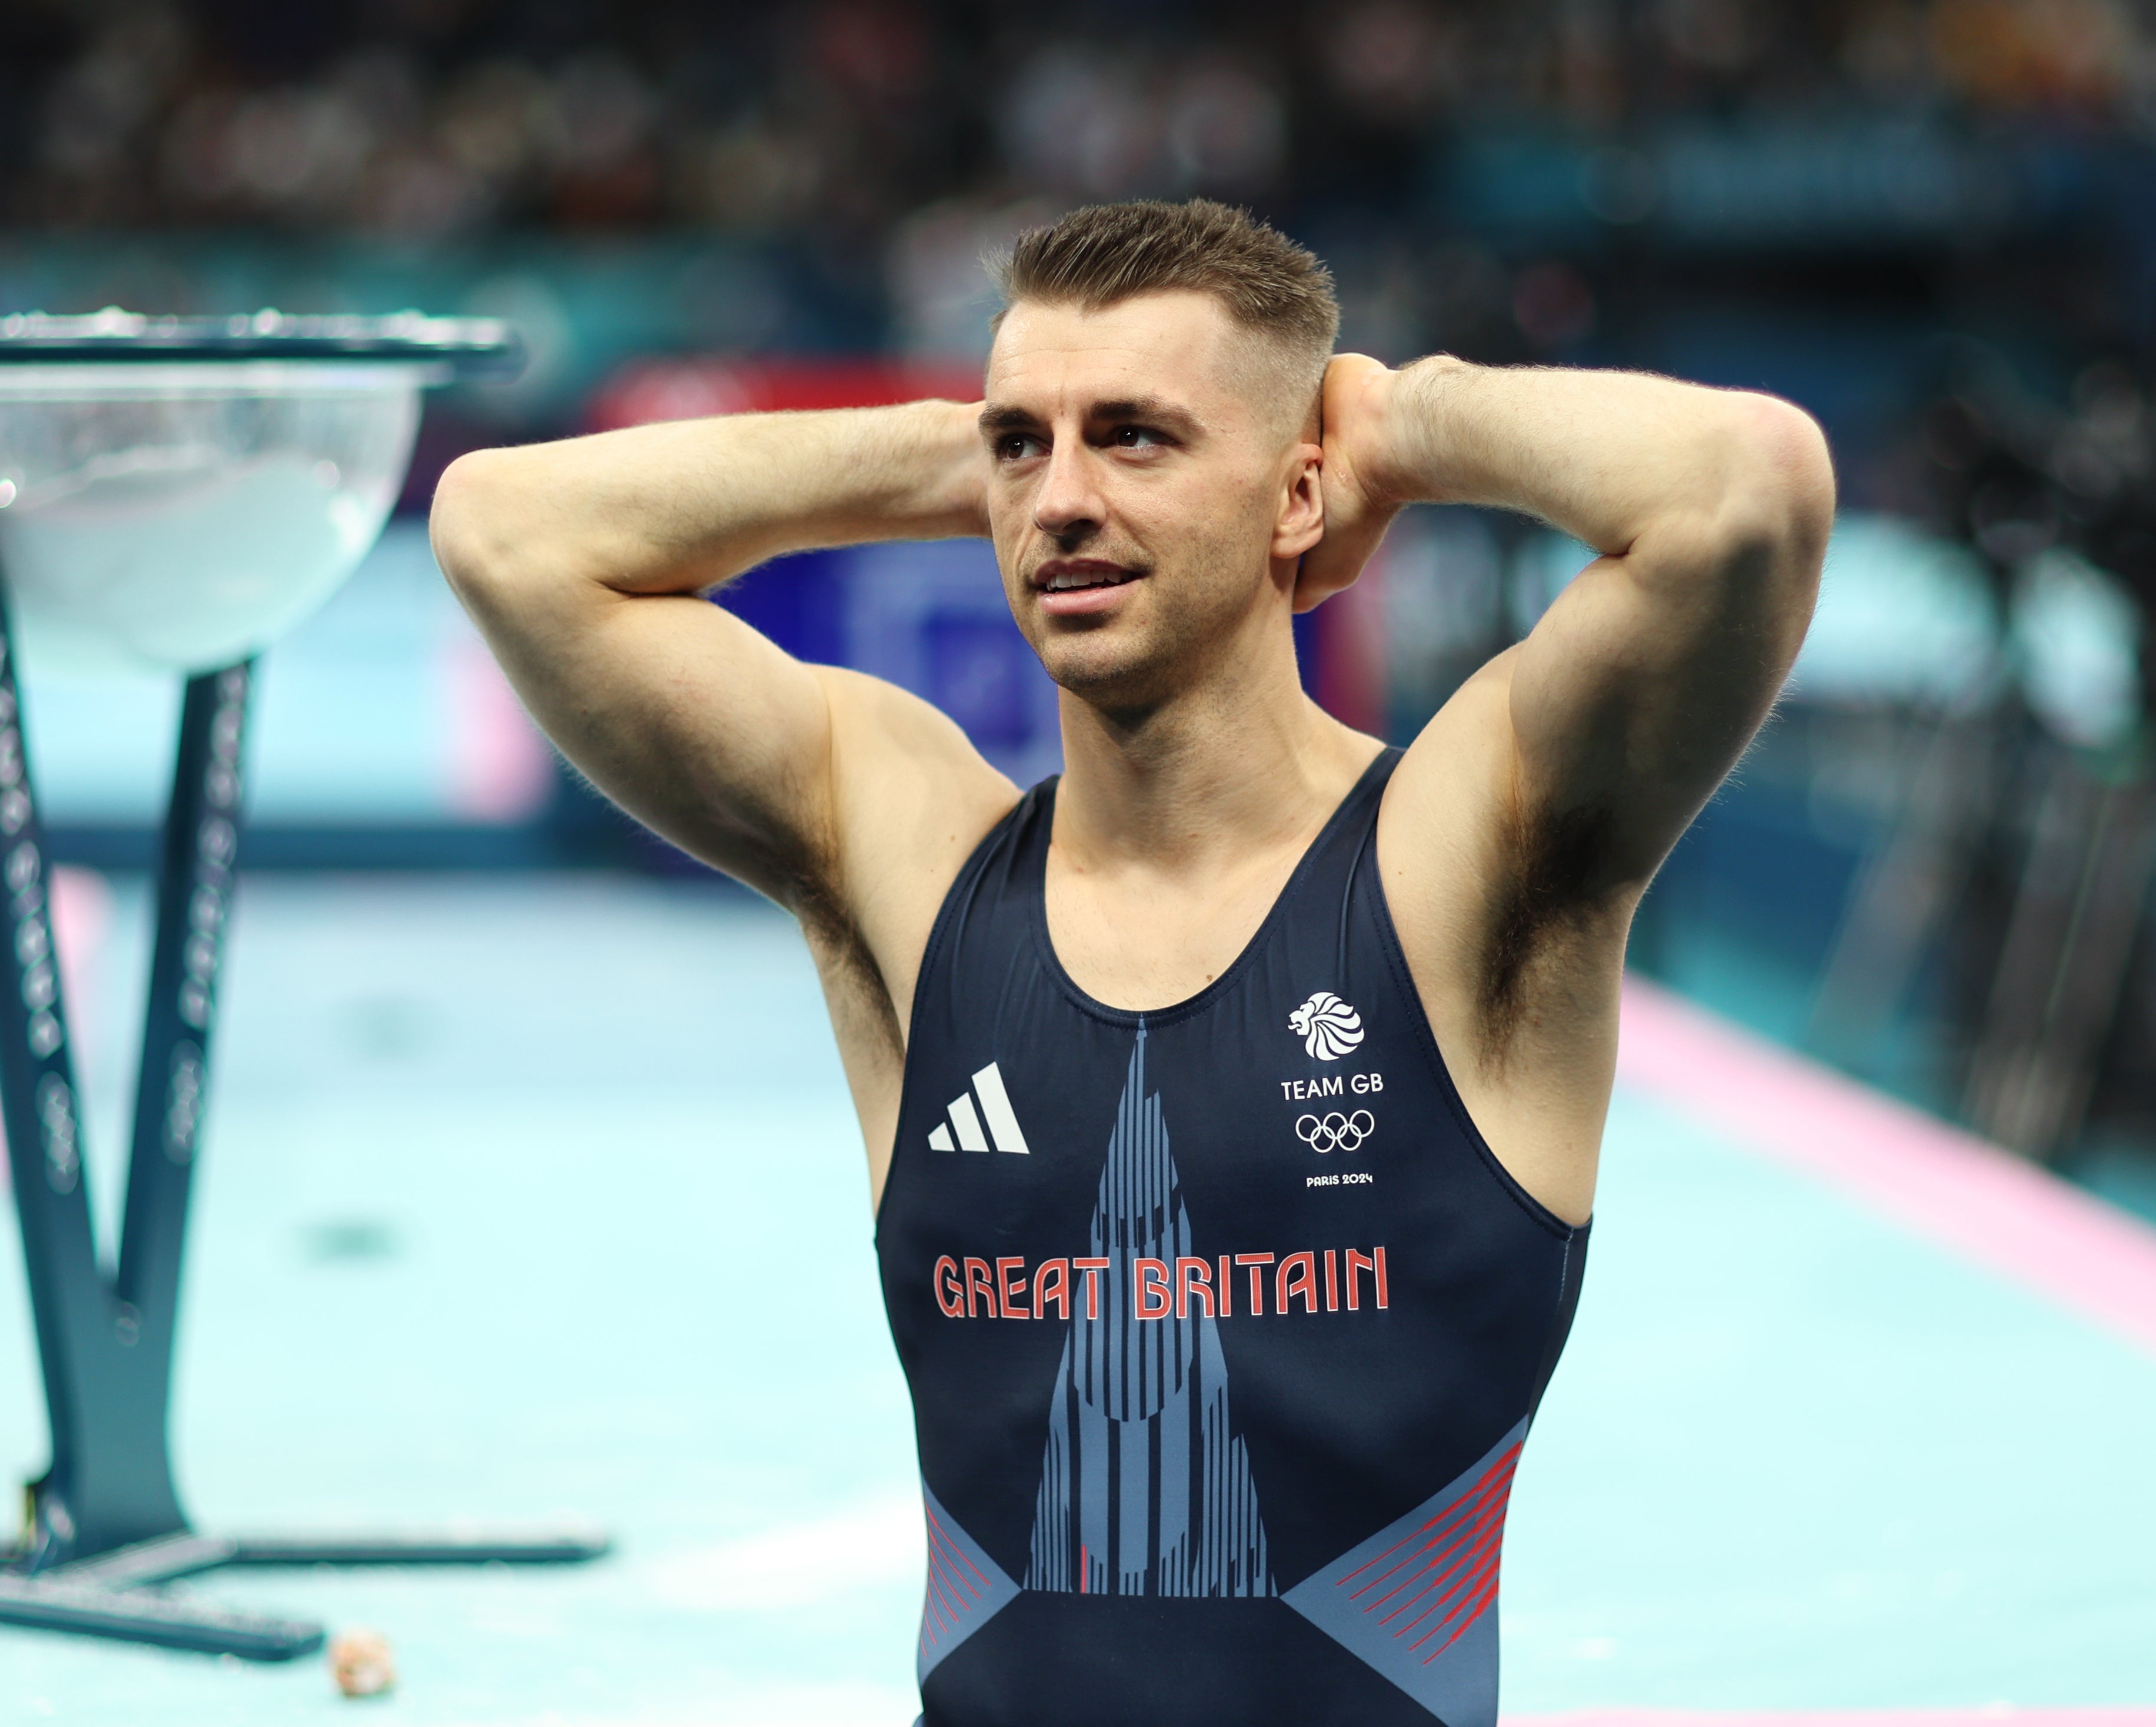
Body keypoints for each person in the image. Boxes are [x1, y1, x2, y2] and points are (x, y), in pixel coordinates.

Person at [429, 199, 1830, 1727]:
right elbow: (503, 530)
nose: (1062, 503)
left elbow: (1745, 489)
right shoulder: (910, 862)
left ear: (1303, 491)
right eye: (1024, 444)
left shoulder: (1459, 856)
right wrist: (964, 456)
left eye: (1140, 439)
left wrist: (1400, 418)